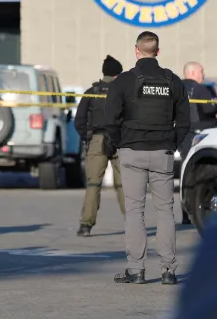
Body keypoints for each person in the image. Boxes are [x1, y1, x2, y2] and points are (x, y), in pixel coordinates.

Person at [103, 31, 190, 285]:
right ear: (158, 52)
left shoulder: (123, 81)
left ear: (136, 50)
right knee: (164, 211)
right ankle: (168, 270)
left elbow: (110, 119)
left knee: (134, 211)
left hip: (132, 151)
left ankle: (136, 269)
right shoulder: (172, 81)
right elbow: (184, 121)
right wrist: (170, 143)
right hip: (162, 151)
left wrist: (121, 144)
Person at [76, 55, 125, 238]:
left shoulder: (92, 91)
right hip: (120, 141)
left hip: (97, 140)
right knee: (123, 185)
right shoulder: (123, 92)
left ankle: (85, 226)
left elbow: (79, 120)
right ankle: (134, 223)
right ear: (116, 75)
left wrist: (88, 138)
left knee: (93, 184)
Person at [179, 62, 217, 226]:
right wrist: (216, 102)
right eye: (201, 71)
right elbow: (210, 108)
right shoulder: (201, 89)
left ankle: (185, 213)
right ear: (194, 73)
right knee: (204, 173)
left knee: (185, 173)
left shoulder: (176, 88)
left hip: (183, 137)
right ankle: (203, 210)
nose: (203, 74)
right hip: (201, 135)